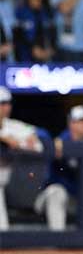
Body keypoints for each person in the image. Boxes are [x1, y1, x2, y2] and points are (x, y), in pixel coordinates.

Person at [0, 86, 44, 231]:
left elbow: (38, 145)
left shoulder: (14, 126)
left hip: (12, 179)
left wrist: (18, 142)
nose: (5, 107)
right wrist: (4, 139)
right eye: (1, 104)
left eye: (7, 103)